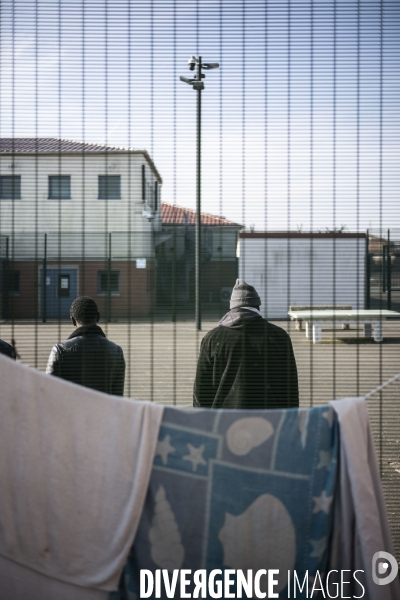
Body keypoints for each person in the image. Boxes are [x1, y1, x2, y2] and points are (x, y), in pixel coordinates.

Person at [193, 279, 299, 409]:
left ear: (232, 307)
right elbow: (291, 388)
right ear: (257, 306)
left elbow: (201, 389)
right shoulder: (279, 336)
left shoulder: (212, 338)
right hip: (270, 419)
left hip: (224, 421)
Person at [46, 296, 125, 396]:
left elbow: (48, 393)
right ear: (98, 317)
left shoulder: (60, 351)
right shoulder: (116, 351)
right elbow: (118, 398)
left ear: (73, 320)